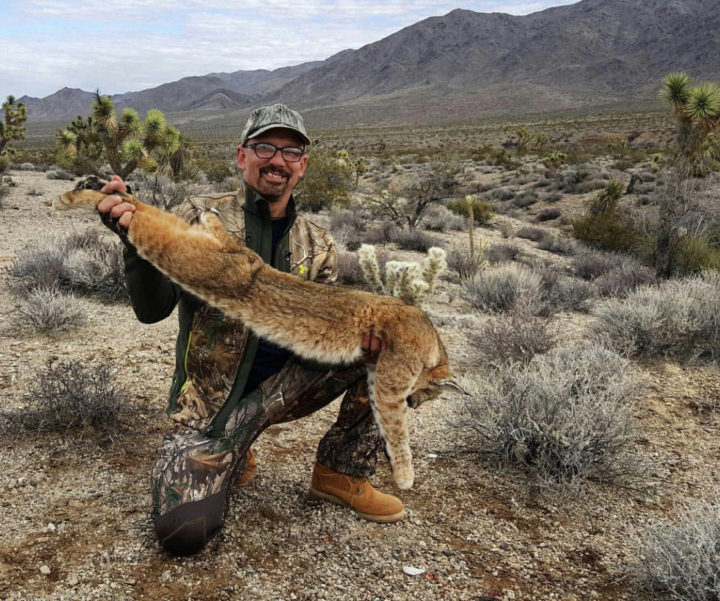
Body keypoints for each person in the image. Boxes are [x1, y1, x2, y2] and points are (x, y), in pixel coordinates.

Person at [98, 104, 407, 556]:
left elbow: (316, 341)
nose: (277, 160)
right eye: (265, 147)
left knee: (393, 347)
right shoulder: (199, 219)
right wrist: (134, 241)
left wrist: (362, 340)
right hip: (209, 409)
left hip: (284, 389)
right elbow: (152, 310)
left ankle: (340, 472)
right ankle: (232, 450)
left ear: (302, 166)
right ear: (243, 156)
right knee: (183, 534)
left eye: (291, 151)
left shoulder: (318, 244)